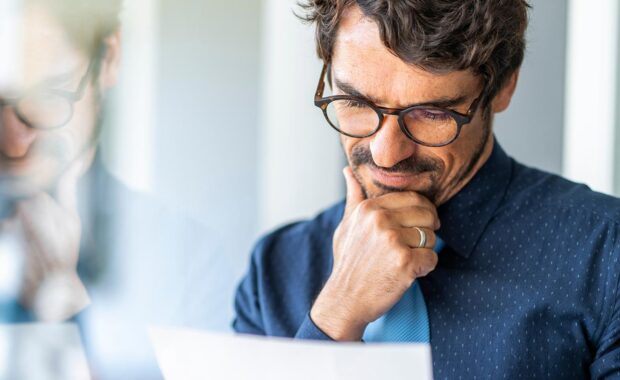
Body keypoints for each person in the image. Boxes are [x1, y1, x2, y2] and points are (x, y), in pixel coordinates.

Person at [233, 1, 620, 378]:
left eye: (432, 113)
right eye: (354, 102)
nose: (386, 154)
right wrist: (336, 315)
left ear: (503, 86)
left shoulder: (606, 255)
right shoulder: (273, 269)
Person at [0, 1, 231, 378]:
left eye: (46, 96)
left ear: (107, 57)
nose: (12, 143)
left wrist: (63, 316)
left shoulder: (187, 263)